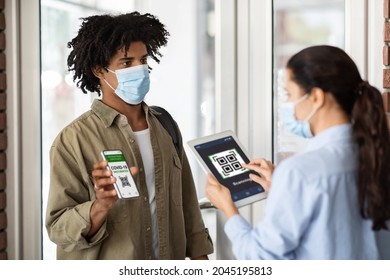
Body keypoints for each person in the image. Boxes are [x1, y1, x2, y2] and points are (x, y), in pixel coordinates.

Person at [45, 12, 213, 260]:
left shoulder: (165, 125)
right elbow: (58, 227)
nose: (140, 69)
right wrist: (100, 205)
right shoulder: (73, 140)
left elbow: (187, 205)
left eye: (143, 59)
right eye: (126, 63)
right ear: (99, 70)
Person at [206, 45, 390, 260]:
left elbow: (260, 258)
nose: (287, 104)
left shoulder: (299, 172)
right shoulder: (379, 155)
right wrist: (281, 188)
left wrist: (229, 209)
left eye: (289, 94)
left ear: (316, 97)